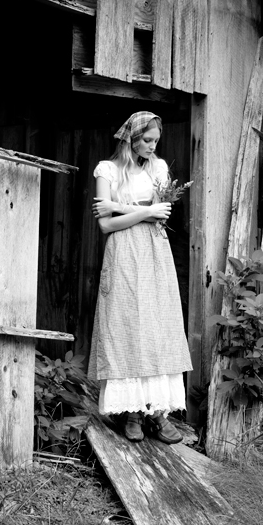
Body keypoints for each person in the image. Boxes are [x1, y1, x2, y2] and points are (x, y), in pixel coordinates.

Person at [88, 111, 193, 444]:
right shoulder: (108, 170)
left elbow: (159, 218)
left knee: (158, 325)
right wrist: (145, 211)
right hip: (122, 252)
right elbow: (105, 225)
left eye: (156, 141)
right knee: (127, 325)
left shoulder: (159, 169)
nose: (152, 146)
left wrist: (118, 208)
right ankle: (131, 413)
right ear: (131, 138)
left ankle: (158, 413)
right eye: (147, 140)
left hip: (155, 252)